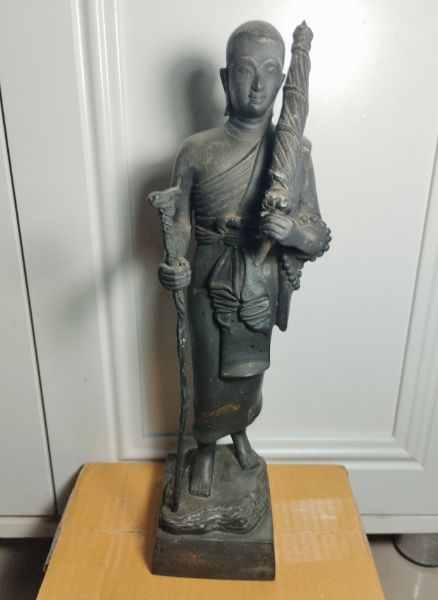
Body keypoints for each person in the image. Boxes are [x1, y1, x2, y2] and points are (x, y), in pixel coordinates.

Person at [154, 21, 330, 497]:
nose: (256, 84)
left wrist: (292, 231)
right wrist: (176, 262)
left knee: (249, 373)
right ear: (224, 77)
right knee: (209, 369)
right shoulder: (197, 151)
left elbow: (316, 232)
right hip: (208, 276)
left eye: (270, 71)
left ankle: (240, 435)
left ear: (284, 81)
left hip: (260, 276)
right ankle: (206, 449)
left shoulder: (293, 155)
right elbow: (181, 221)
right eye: (246, 70)